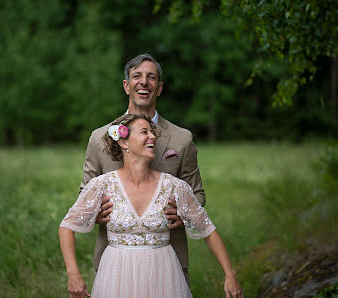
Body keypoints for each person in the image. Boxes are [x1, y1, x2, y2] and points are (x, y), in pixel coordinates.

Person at [59, 114, 242, 297]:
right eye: (144, 132)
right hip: (116, 276)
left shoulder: (173, 186)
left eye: (152, 132)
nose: (153, 136)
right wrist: (73, 274)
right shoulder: (102, 185)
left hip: (162, 276)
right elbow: (66, 227)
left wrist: (230, 275)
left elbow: (208, 230)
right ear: (124, 143)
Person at [80, 54, 204, 285]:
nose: (144, 82)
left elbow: (198, 194)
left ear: (160, 88)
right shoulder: (99, 138)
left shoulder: (182, 139)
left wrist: (183, 216)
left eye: (151, 77)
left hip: (169, 259)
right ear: (127, 86)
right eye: (137, 76)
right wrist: (95, 214)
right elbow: (84, 193)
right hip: (115, 261)